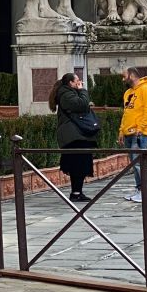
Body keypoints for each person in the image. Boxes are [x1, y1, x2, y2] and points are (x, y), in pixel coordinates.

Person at [49, 72, 96, 202]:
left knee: (79, 164)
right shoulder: (66, 94)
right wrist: (82, 90)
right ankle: (76, 192)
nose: (79, 82)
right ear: (71, 83)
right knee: (77, 164)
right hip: (73, 136)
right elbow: (80, 104)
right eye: (77, 81)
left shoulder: (68, 93)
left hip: (76, 135)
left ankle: (77, 192)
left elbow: (81, 105)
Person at [117, 67, 147, 203]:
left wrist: (141, 128)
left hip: (140, 133)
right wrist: (121, 131)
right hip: (129, 132)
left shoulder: (146, 90)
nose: (123, 79)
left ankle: (146, 192)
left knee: (139, 163)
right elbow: (126, 113)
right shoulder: (128, 92)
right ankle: (140, 190)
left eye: (124, 76)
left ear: (132, 75)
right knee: (135, 163)